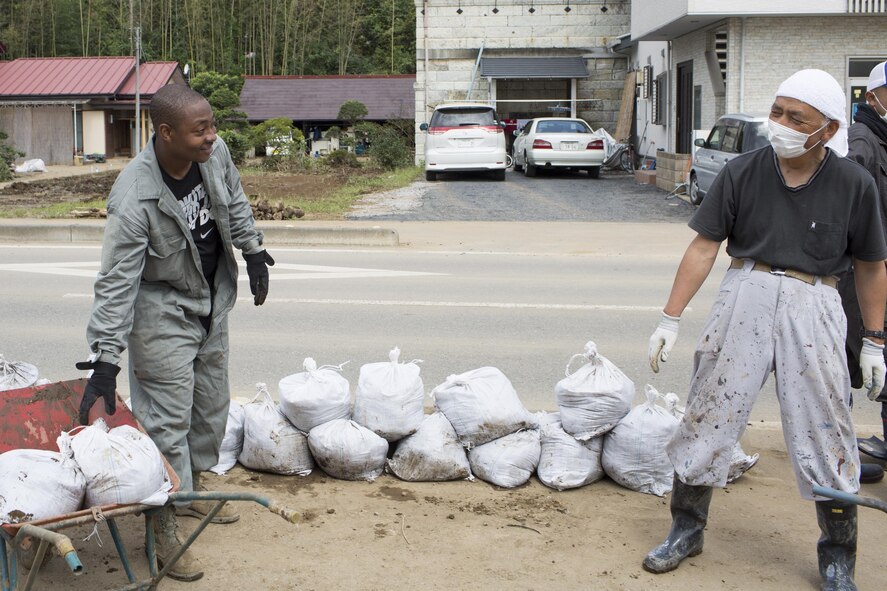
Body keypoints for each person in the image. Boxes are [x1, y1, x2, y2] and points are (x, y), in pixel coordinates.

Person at [646, 69, 887, 591]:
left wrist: (874, 340)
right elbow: (704, 247)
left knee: (828, 428)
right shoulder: (743, 171)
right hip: (745, 291)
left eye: (796, 118)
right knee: (709, 411)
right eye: (777, 112)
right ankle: (686, 529)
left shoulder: (854, 184)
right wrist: (671, 317)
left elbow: (871, 265)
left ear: (827, 130)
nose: (781, 124)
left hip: (816, 300)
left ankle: (838, 556)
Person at [77, 84, 274, 582]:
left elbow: (234, 196)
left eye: (211, 125)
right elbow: (117, 279)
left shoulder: (214, 154)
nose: (212, 136)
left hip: (211, 297)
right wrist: (105, 357)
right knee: (165, 421)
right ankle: (161, 527)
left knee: (210, 406)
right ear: (166, 133)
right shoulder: (135, 194)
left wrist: (252, 250)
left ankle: (191, 488)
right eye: (200, 129)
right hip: (160, 306)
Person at [839, 60, 887, 483]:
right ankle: (841, 461)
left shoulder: (882, 139)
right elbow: (851, 214)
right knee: (845, 367)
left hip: (876, 271)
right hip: (859, 277)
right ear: (873, 97)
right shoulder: (863, 143)